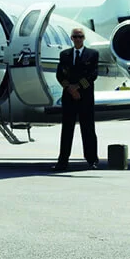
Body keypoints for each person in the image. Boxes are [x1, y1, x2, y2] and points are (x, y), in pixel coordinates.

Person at [53, 26, 100, 170]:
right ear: (71, 39)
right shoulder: (64, 54)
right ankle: (63, 161)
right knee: (67, 130)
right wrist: (70, 89)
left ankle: (92, 160)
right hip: (69, 97)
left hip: (85, 97)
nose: (78, 39)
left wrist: (78, 87)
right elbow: (60, 75)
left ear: (84, 38)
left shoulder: (92, 54)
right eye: (75, 36)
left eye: (80, 37)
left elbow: (93, 75)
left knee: (88, 129)